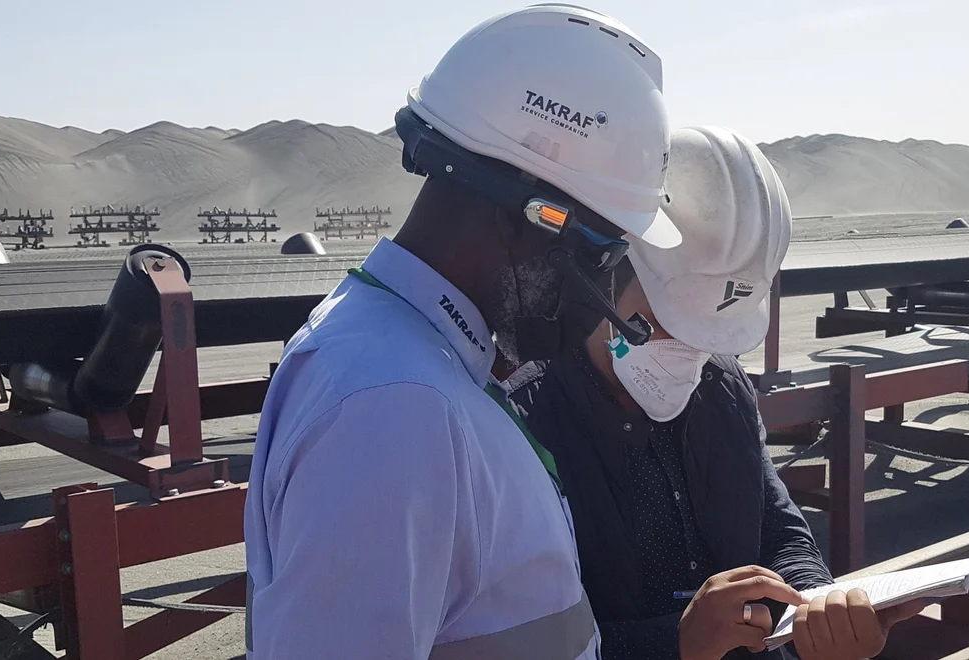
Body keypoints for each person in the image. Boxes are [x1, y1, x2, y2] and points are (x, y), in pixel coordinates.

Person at [240, 6, 762, 659]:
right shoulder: (393, 408)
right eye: (603, 253)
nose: (604, 293)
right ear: (536, 219)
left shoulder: (419, 366)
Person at [508, 126, 923, 660]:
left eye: (710, 335)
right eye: (668, 322)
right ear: (602, 276)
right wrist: (676, 645)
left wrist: (815, 609)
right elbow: (517, 641)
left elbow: (776, 527)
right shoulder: (525, 424)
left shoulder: (723, 389)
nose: (689, 352)